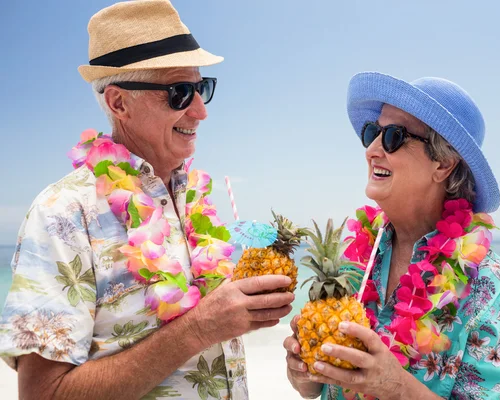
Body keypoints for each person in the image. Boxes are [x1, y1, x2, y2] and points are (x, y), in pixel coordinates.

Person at [0, 1, 293, 399]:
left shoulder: (191, 199)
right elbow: (42, 394)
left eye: (202, 88)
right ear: (119, 103)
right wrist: (202, 327)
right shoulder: (63, 213)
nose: (201, 111)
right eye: (179, 93)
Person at [284, 72, 500, 399]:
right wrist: (305, 374)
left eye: (393, 136)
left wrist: (395, 386)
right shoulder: (355, 262)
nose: (371, 149)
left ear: (443, 164)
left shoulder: (493, 288)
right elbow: (317, 387)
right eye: (371, 132)